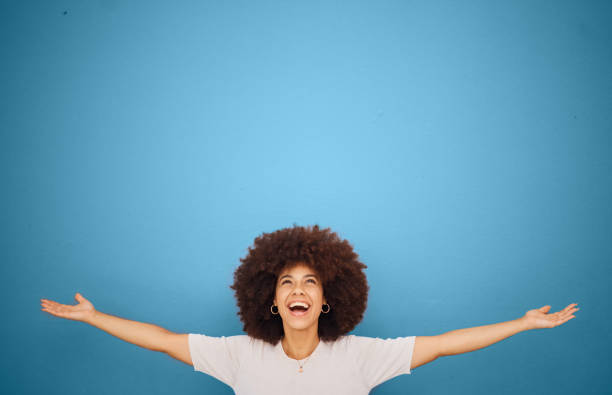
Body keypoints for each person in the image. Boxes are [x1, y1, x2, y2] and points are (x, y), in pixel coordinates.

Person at [40, 224, 579, 394]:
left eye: (311, 281)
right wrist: (94, 316)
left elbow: (441, 344)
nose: (299, 289)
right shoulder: (238, 356)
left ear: (327, 299)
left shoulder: (362, 357)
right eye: (287, 282)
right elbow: (160, 338)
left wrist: (523, 323)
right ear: (271, 300)